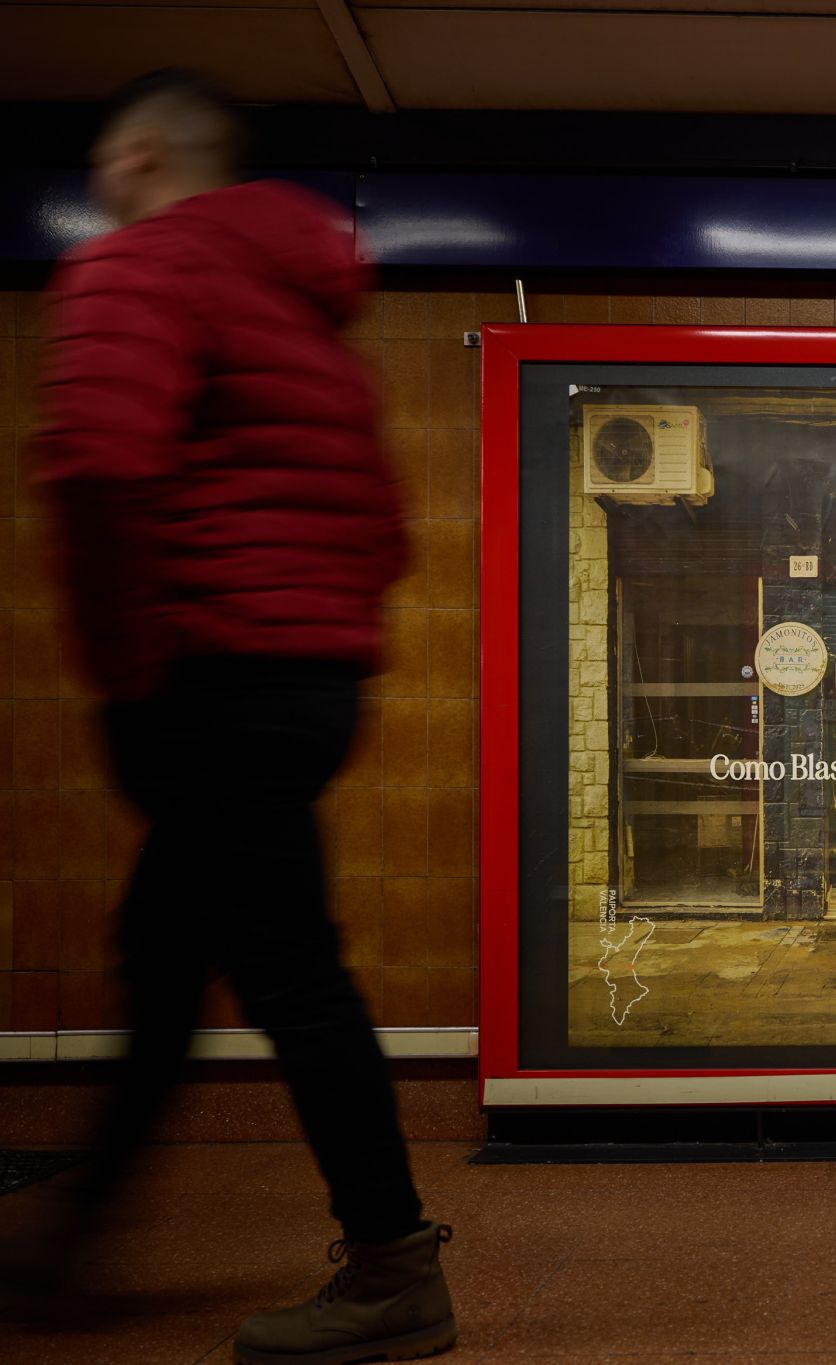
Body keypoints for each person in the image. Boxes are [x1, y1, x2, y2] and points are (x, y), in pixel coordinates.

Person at [18, 70, 456, 1362]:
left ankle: (394, 1267)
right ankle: (69, 1241)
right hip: (309, 685)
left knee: (290, 974)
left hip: (207, 681)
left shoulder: (133, 271)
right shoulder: (308, 320)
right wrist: (321, 649)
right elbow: (383, 526)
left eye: (106, 153)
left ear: (144, 157)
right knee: (164, 954)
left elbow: (97, 461)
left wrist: (123, 663)